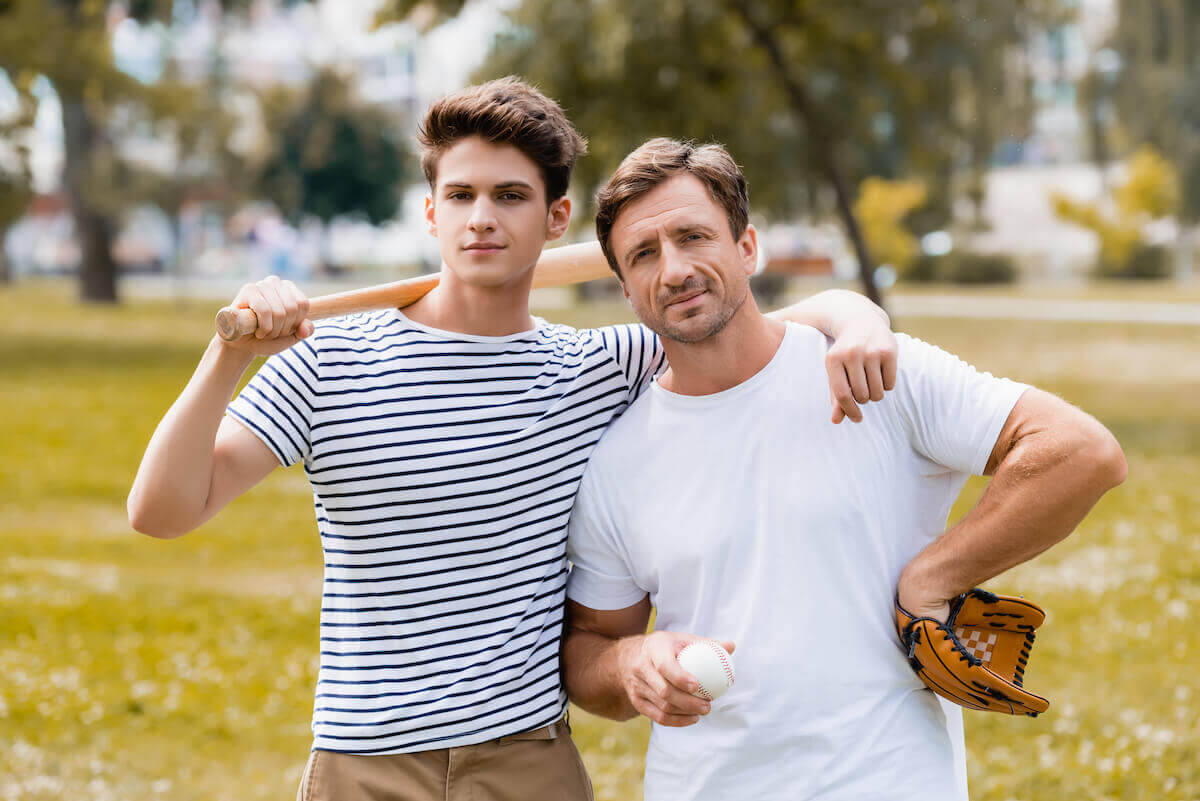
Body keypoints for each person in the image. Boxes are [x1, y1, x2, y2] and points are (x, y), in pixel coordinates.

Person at [126, 79, 899, 801]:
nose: (481, 218)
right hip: (366, 762)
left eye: (510, 196)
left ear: (556, 218)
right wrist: (228, 351)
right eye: (458, 195)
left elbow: (755, 327)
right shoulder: (331, 358)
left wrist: (862, 318)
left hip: (527, 758)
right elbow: (161, 509)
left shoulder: (598, 366)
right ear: (430, 212)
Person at [562, 138, 1128, 801]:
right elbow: (591, 643)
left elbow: (1079, 450)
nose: (675, 268)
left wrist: (933, 576)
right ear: (625, 288)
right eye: (644, 255)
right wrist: (630, 662)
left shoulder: (873, 370)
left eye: (694, 236)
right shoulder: (616, 461)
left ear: (747, 248)